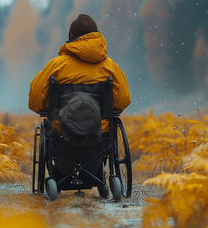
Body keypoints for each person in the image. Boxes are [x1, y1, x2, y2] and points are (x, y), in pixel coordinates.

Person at [28, 13, 131, 179]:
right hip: (99, 134)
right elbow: (123, 100)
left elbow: (35, 101)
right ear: (97, 36)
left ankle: (60, 175)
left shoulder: (56, 66)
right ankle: (98, 173)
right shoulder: (110, 67)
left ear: (71, 38)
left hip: (62, 134)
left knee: (49, 126)